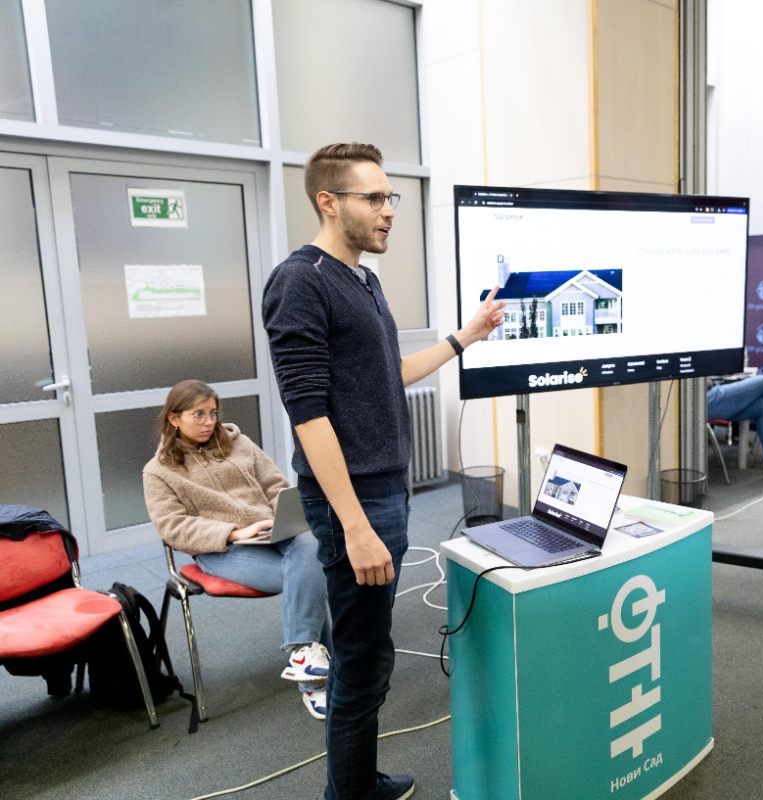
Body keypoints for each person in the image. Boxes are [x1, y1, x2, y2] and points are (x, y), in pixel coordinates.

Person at [262, 142, 504, 800]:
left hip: (384, 493)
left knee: (367, 652)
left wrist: (465, 337)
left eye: (389, 197)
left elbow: (388, 376)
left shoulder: (362, 281)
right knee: (363, 661)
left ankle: (358, 781)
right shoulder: (300, 281)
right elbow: (309, 415)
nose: (389, 210)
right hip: (355, 504)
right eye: (373, 198)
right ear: (328, 202)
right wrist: (355, 526)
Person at [142, 379, 332, 719]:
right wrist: (232, 533)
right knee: (308, 574)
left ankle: (305, 657)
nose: (208, 422)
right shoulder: (159, 471)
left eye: (213, 413)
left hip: (271, 531)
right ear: (173, 418)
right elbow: (173, 527)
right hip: (221, 549)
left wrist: (282, 517)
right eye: (198, 414)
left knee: (309, 546)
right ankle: (314, 678)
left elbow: (276, 486)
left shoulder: (238, 443)